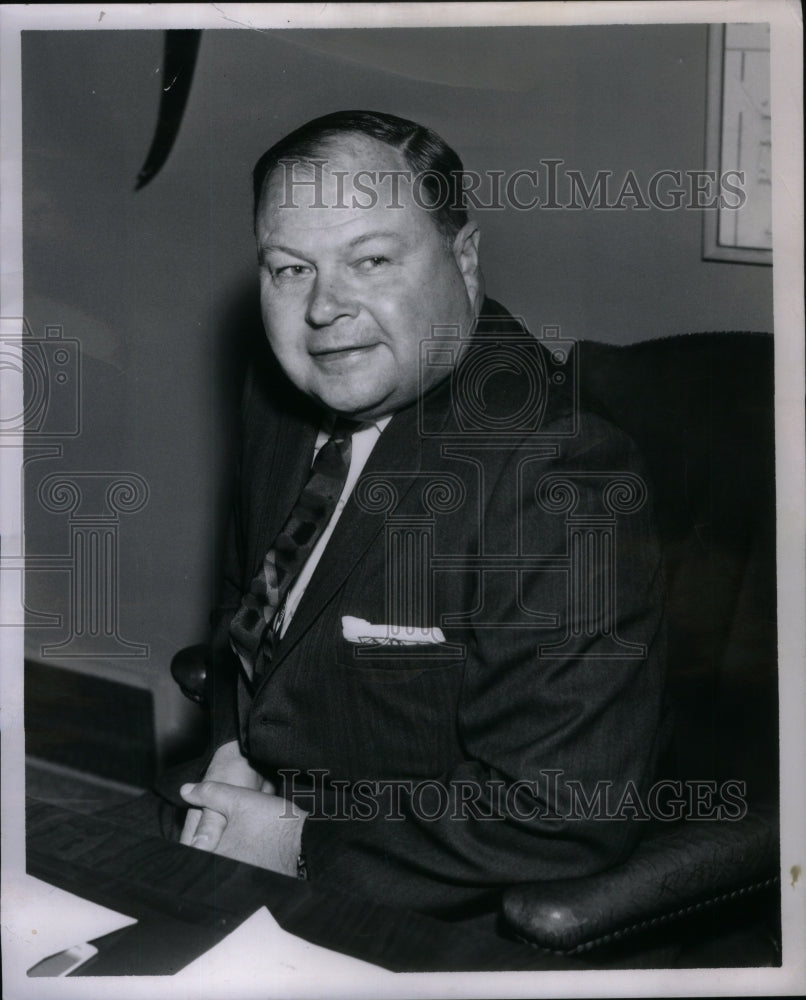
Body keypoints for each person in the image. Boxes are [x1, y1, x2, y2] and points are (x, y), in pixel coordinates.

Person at [163, 110, 668, 922]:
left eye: (370, 260)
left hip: (431, 906)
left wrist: (297, 842)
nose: (325, 308)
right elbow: (248, 604)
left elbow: (564, 812)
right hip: (245, 820)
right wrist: (231, 748)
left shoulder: (557, 474)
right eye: (290, 269)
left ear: (464, 261)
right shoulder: (284, 392)